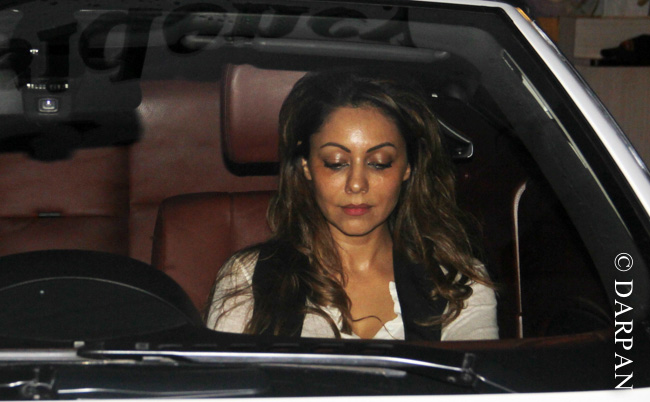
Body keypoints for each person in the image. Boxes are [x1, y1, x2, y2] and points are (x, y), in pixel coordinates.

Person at [205, 69, 498, 341]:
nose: (356, 184)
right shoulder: (249, 278)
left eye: (379, 163)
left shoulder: (458, 284)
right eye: (336, 163)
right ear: (306, 166)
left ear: (408, 167)